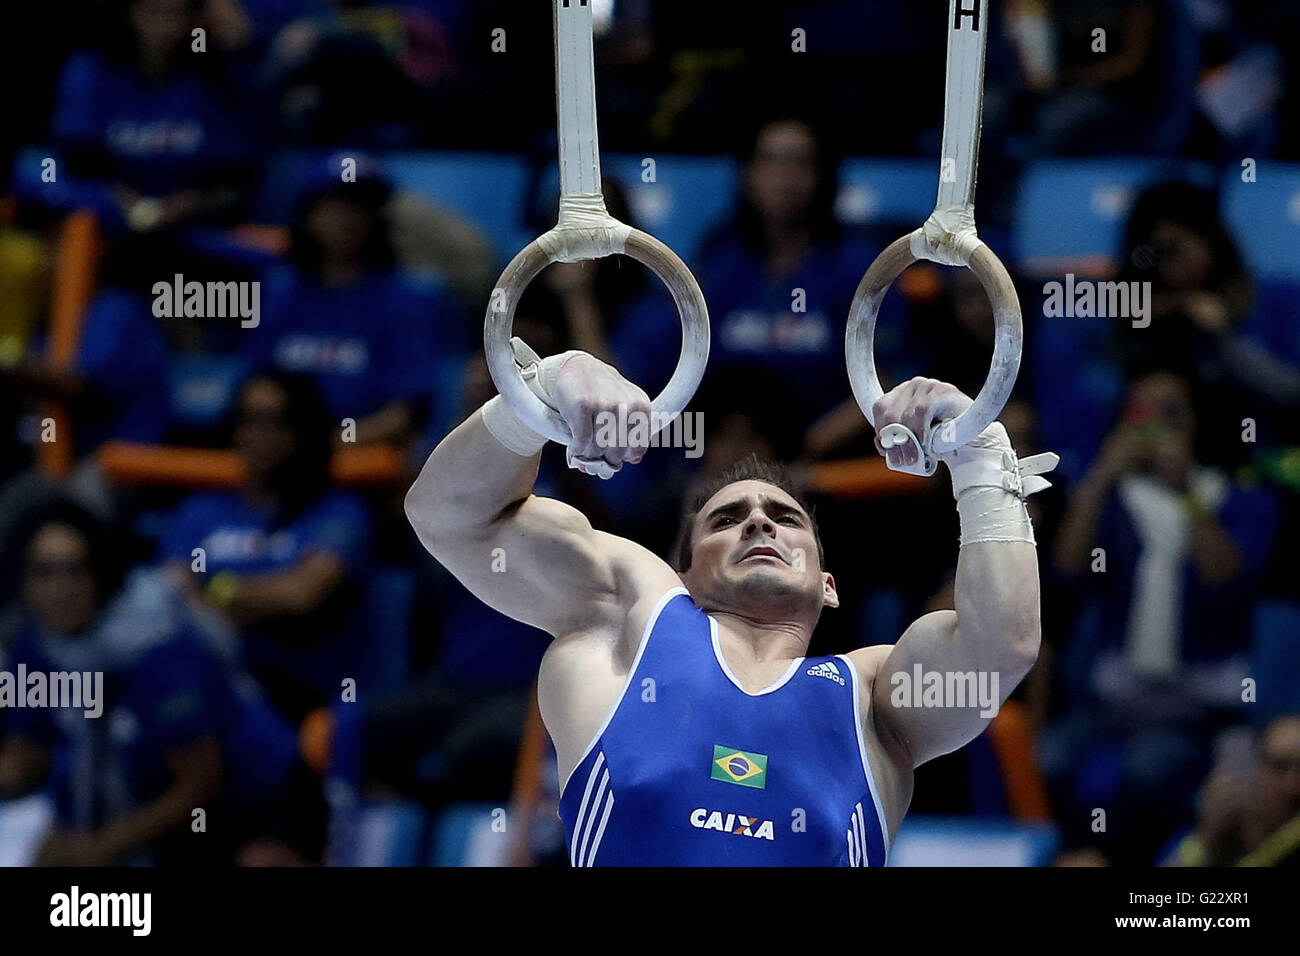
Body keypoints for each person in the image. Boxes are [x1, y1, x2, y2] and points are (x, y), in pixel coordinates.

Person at [405, 341, 1052, 865]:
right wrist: (538, 396)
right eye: (727, 518)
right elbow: (448, 517)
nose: (759, 523)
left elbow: (1004, 643)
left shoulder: (874, 700)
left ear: (829, 584)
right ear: (684, 570)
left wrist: (980, 454)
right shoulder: (633, 623)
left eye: (785, 516)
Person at [0, 500, 323, 865]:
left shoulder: (157, 646)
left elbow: (199, 782)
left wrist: (101, 848)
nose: (60, 589)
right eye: (43, 573)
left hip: (248, 803)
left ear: (102, 572)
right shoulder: (37, 644)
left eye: (75, 571)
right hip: (137, 801)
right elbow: (25, 759)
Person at [162, 370, 373, 722]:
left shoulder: (337, 510)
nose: (261, 434)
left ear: (303, 430)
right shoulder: (200, 510)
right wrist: (255, 602)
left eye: (277, 421)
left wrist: (216, 588)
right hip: (208, 674)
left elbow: (302, 595)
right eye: (250, 419)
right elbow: (171, 591)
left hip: (297, 690)